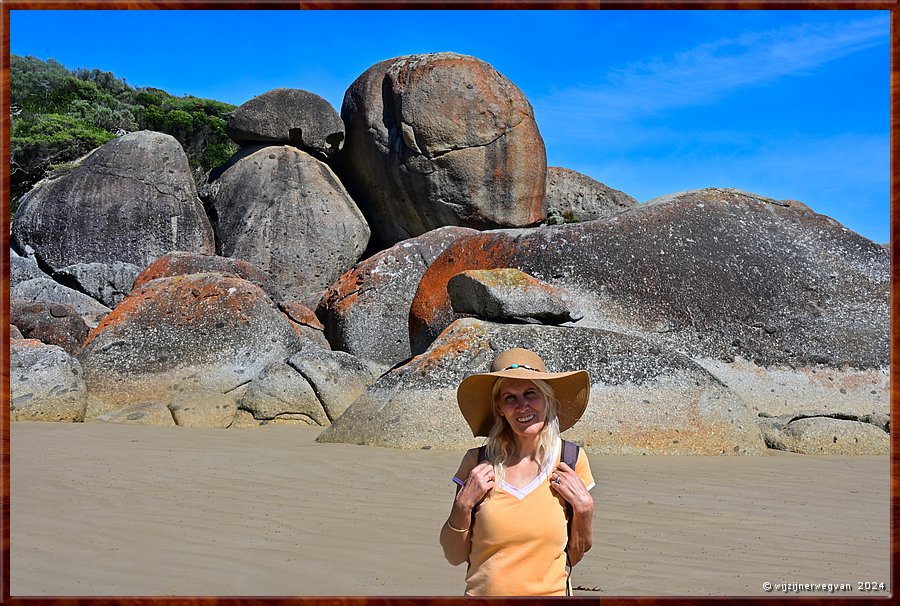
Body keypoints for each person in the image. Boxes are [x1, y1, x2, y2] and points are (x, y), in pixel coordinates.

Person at [439, 347, 595, 596]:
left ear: (547, 399)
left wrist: (584, 510)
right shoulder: (477, 462)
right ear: (499, 407)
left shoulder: (571, 460)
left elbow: (574, 556)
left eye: (530, 393)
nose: (522, 406)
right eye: (510, 397)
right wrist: (464, 505)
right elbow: (453, 555)